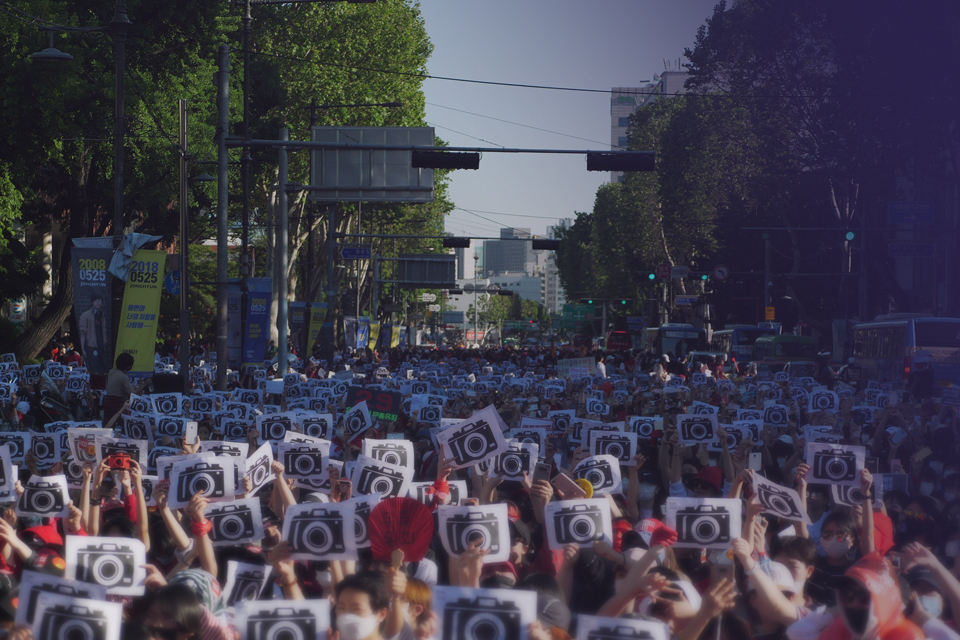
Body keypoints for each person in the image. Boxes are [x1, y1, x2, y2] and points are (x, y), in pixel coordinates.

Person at [103, 352, 150, 426]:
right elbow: (133, 394)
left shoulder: (111, 371)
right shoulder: (123, 377)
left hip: (108, 401)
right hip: (116, 403)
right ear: (128, 366)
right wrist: (145, 384)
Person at [78, 293, 109, 374]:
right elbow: (83, 334)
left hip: (101, 346)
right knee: (93, 368)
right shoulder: (86, 315)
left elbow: (104, 330)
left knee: (102, 368)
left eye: (100, 300)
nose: (98, 302)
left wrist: (105, 341)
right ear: (92, 302)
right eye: (96, 301)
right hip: (91, 347)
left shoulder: (101, 315)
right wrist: (83, 349)